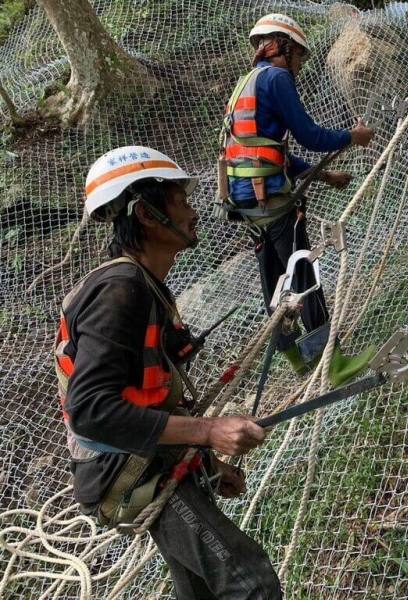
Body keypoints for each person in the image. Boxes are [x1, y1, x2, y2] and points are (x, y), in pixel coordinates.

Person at [55, 146, 281, 599]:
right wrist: (209, 431)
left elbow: (143, 399)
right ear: (147, 214)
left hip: (146, 460)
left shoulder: (142, 285)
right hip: (128, 471)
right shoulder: (119, 292)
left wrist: (207, 462)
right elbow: (92, 411)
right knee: (251, 584)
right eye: (181, 201)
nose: (193, 213)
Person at [218, 13, 375, 386]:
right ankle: (332, 363)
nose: (301, 65)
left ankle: (292, 355)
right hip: (272, 201)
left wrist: (323, 176)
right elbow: (309, 136)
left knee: (274, 278)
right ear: (283, 48)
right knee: (304, 274)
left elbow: (267, 153)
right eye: (300, 56)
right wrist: (353, 137)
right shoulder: (277, 78)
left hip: (247, 203)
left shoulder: (247, 83)